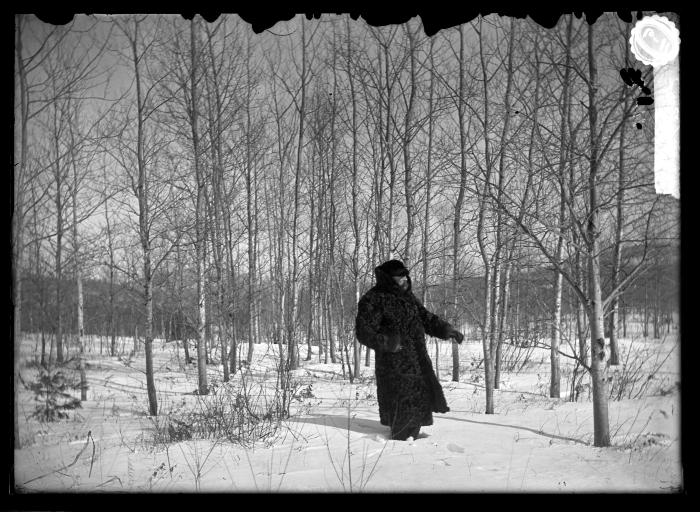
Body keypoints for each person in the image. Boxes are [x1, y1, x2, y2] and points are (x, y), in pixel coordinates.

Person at [355, 259, 464, 441]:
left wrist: (446, 330)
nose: (405, 279)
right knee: (402, 416)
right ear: (389, 278)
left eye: (406, 275)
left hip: (417, 362)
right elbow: (363, 331)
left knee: (417, 410)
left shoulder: (408, 297)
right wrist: (387, 342)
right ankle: (403, 454)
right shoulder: (373, 298)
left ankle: (413, 446)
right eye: (400, 276)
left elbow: (425, 318)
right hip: (394, 366)